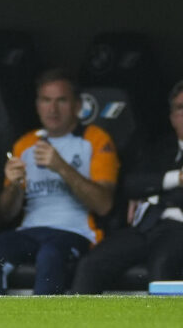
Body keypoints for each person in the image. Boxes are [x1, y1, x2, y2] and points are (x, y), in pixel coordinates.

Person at [0, 69, 120, 295]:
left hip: (76, 231)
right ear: (38, 104)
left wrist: (61, 166)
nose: (52, 109)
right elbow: (5, 214)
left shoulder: (96, 139)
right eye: (46, 100)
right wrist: (14, 185)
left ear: (77, 105)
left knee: (50, 254)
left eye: (61, 100)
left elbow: (104, 204)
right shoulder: (25, 143)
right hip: (31, 229)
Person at [71, 80, 183, 293]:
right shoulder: (159, 149)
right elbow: (131, 184)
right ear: (171, 117)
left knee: (161, 264)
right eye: (180, 108)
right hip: (147, 226)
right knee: (91, 263)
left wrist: (154, 194)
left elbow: (150, 188)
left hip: (179, 230)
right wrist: (177, 179)